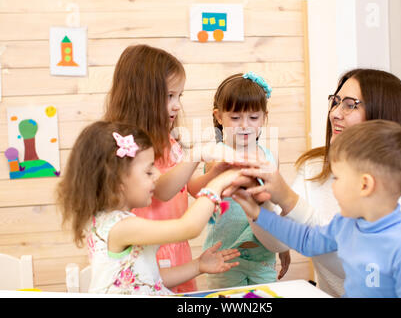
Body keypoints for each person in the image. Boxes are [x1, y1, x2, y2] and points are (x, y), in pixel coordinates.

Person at [224, 68, 401, 297]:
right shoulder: (344, 223)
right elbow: (305, 238)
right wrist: (257, 209)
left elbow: (354, 259)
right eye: (336, 102)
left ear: (365, 185)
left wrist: (288, 198)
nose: (335, 113)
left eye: (350, 104)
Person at [103, 44, 239, 292]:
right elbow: (162, 189)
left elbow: (187, 186)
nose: (177, 105)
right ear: (141, 96)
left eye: (179, 96)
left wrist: (214, 175)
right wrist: (197, 155)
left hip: (178, 247)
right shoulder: (132, 148)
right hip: (154, 247)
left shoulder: (171, 141)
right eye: (169, 96)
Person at [56, 121, 241, 295]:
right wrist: (217, 184)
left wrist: (198, 266)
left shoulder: (106, 221)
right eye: (148, 171)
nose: (157, 175)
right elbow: (189, 227)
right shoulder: (121, 227)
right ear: (117, 180)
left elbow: (148, 278)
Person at [188, 72, 291, 289]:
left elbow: (276, 206)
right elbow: (195, 190)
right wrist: (212, 174)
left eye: (253, 118)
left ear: (264, 117)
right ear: (219, 116)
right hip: (223, 256)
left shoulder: (270, 157)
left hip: (262, 256)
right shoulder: (216, 155)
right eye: (235, 118)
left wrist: (283, 246)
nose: (244, 125)